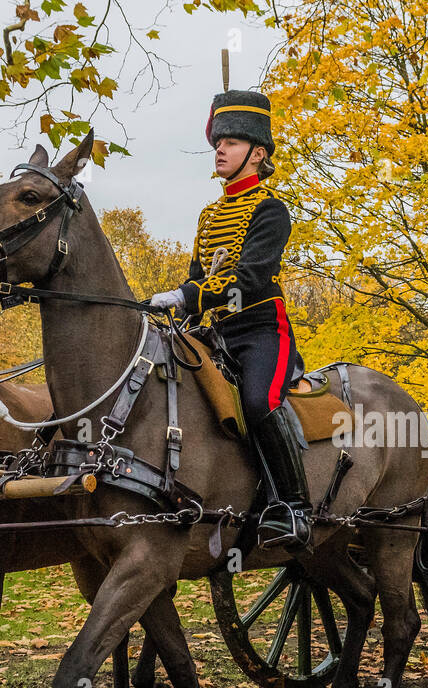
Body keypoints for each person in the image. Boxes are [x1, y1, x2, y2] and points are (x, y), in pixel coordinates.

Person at [150, 90, 310, 551]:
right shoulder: (210, 215)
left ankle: (294, 509)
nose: (219, 149)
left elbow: (249, 277)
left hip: (260, 329)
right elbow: (198, 279)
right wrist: (172, 306)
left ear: (257, 154)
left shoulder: (271, 211)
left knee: (259, 402)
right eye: (218, 141)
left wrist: (185, 295)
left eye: (233, 142)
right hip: (214, 333)